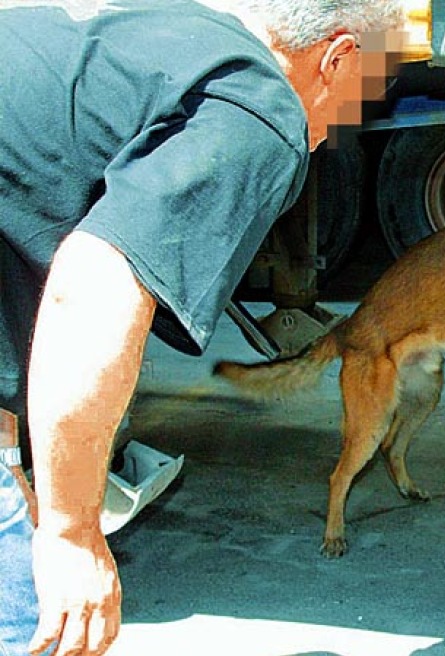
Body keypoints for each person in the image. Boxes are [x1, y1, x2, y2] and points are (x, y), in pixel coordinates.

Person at [0, 1, 402, 654]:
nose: (338, 134)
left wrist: (25, 477)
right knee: (34, 619)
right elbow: (95, 281)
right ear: (339, 59)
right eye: (364, 97)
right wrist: (72, 533)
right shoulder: (263, 109)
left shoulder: (172, 38)